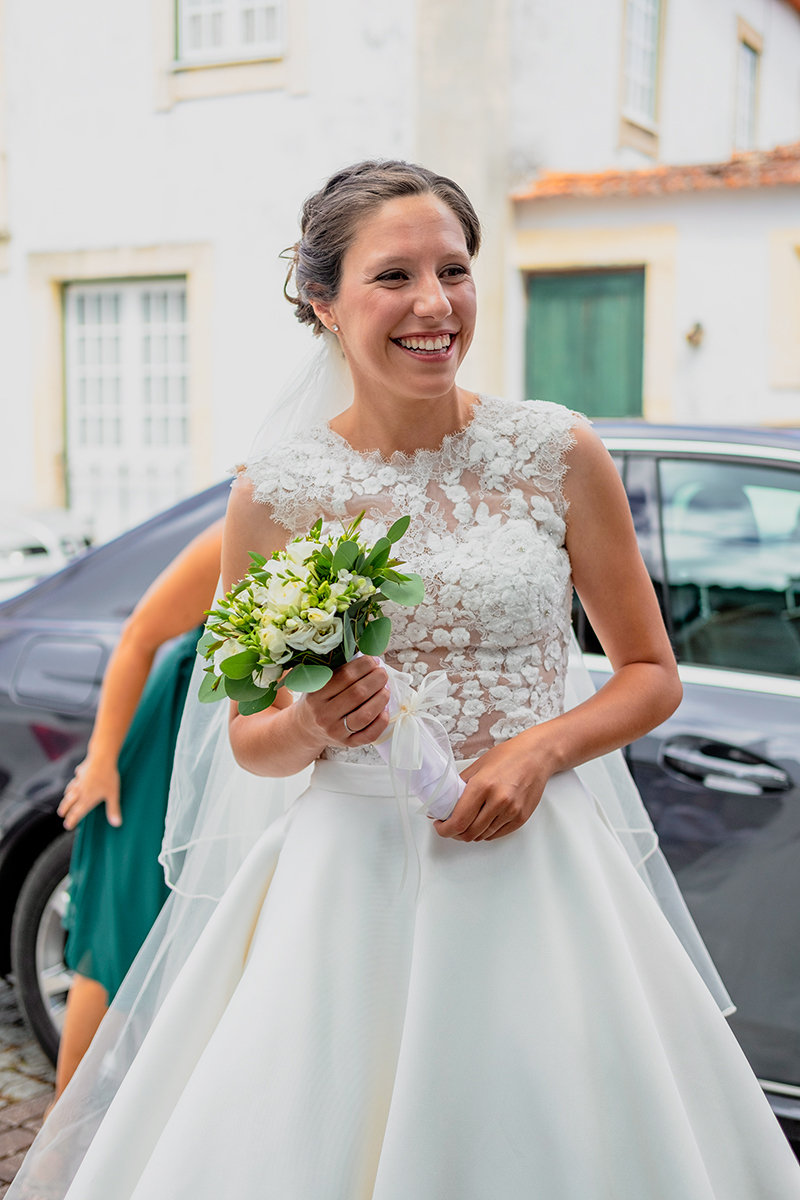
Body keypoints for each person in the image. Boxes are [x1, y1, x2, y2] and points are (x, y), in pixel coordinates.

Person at [12, 160, 800, 1198]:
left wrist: (537, 747)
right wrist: (311, 729)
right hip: (347, 877)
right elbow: (247, 731)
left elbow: (650, 674)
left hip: (539, 869)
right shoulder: (277, 491)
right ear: (322, 300)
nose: (434, 305)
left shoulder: (554, 451)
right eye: (393, 276)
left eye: (454, 270)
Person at [52, 520, 223, 1102]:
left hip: (270, 757)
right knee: (121, 916)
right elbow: (140, 635)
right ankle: (58, 1141)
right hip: (171, 747)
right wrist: (102, 761)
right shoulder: (245, 520)